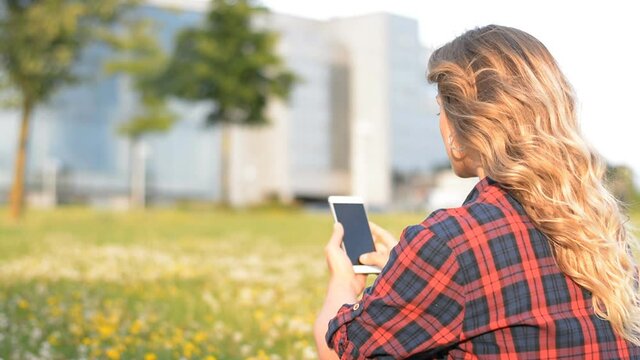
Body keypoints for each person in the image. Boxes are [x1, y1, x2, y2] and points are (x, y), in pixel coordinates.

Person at [313, 24, 640, 359]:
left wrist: (344, 284)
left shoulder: (448, 243)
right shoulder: (600, 231)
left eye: (442, 111)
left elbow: (343, 353)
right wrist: (413, 275)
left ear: (461, 130)